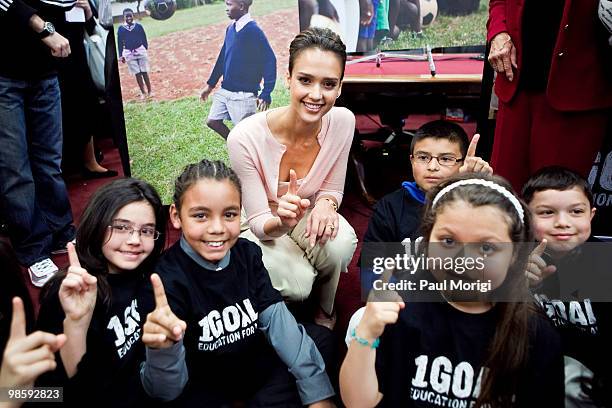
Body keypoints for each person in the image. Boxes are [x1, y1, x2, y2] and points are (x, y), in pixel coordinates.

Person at [340, 173, 565, 407]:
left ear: (514, 254)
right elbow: (360, 403)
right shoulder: (401, 310)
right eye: (448, 241)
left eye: (487, 247)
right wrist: (366, 333)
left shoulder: (536, 335)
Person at [139, 159, 336, 407]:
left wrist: (319, 395)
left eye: (230, 214)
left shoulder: (247, 253)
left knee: (321, 341)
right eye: (201, 216)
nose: (217, 228)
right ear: (176, 216)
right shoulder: (163, 281)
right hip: (207, 386)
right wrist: (163, 351)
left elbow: (277, 321)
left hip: (257, 370)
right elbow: (165, 391)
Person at [227, 27, 358, 329]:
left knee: (339, 243)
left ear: (339, 87)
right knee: (299, 286)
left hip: (303, 212)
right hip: (260, 222)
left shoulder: (343, 121)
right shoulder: (244, 137)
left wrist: (326, 205)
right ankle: (288, 282)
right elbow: (260, 222)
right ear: (288, 79)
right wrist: (282, 223)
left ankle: (325, 308)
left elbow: (332, 188)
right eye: (305, 80)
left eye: (328, 84)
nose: (316, 94)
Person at [35, 178, 168, 405]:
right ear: (97, 223)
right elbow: (36, 393)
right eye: (121, 227)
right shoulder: (69, 292)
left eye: (147, 231)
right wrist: (76, 325)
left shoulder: (146, 275)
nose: (135, 240)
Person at [487, 0, 612, 192]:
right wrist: (498, 31)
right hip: (515, 87)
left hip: (576, 96)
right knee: (502, 198)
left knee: (554, 199)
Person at [0, 0, 76, 286]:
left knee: (49, 161)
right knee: (15, 169)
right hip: (5, 73)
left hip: (45, 71)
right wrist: (44, 29)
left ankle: (61, 233)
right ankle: (33, 251)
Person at [522, 166, 612, 407]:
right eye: (547, 212)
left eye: (576, 212)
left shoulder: (604, 261)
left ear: (591, 215)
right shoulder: (515, 260)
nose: (563, 222)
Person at [58, 0, 118, 178]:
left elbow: (94, 30)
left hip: (78, 55)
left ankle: (90, 161)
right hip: (51, 59)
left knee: (86, 103)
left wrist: (87, 12)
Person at [200, 0, 276, 139]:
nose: (226, 8)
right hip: (226, 90)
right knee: (212, 121)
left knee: (248, 135)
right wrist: (210, 85)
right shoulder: (230, 29)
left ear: (241, 6)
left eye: (229, 4)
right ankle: (234, 143)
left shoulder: (254, 31)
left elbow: (270, 60)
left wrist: (266, 92)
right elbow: (222, 58)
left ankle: (257, 153)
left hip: (244, 95)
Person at [117, 8, 152, 100]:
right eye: (126, 16)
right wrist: (121, 55)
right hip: (129, 53)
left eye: (130, 16)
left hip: (140, 51)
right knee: (137, 73)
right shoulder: (121, 29)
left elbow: (144, 38)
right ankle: (143, 93)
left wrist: (145, 48)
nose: (129, 18)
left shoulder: (138, 26)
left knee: (144, 72)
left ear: (133, 16)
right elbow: (120, 42)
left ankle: (150, 91)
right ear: (124, 17)